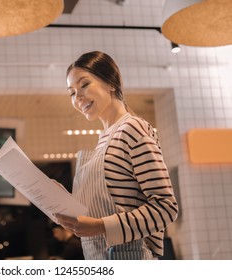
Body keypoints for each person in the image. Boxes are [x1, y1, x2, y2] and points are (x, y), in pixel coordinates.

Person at [54, 51, 179, 260]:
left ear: (111, 83)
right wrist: (63, 201)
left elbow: (165, 207)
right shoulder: (104, 138)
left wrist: (100, 226)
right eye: (72, 93)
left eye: (84, 85)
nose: (78, 98)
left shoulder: (132, 128)